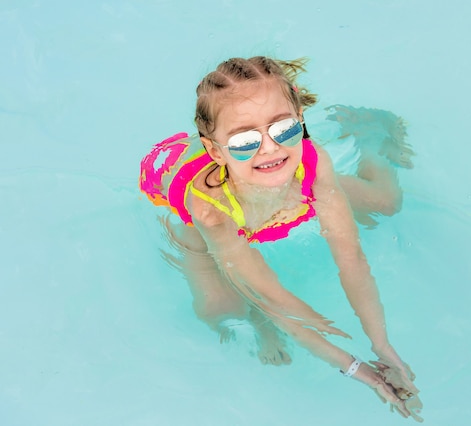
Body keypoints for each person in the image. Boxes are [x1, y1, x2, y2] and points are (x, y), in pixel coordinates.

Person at [139, 56, 423, 421]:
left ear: (301, 123)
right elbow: (271, 296)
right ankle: (258, 324)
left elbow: (351, 259)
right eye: (244, 140)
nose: (270, 148)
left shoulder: (308, 160)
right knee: (220, 307)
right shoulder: (210, 211)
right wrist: (355, 367)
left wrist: (382, 347)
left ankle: (371, 135)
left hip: (284, 193)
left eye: (284, 128)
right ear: (215, 150)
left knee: (386, 202)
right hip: (212, 208)